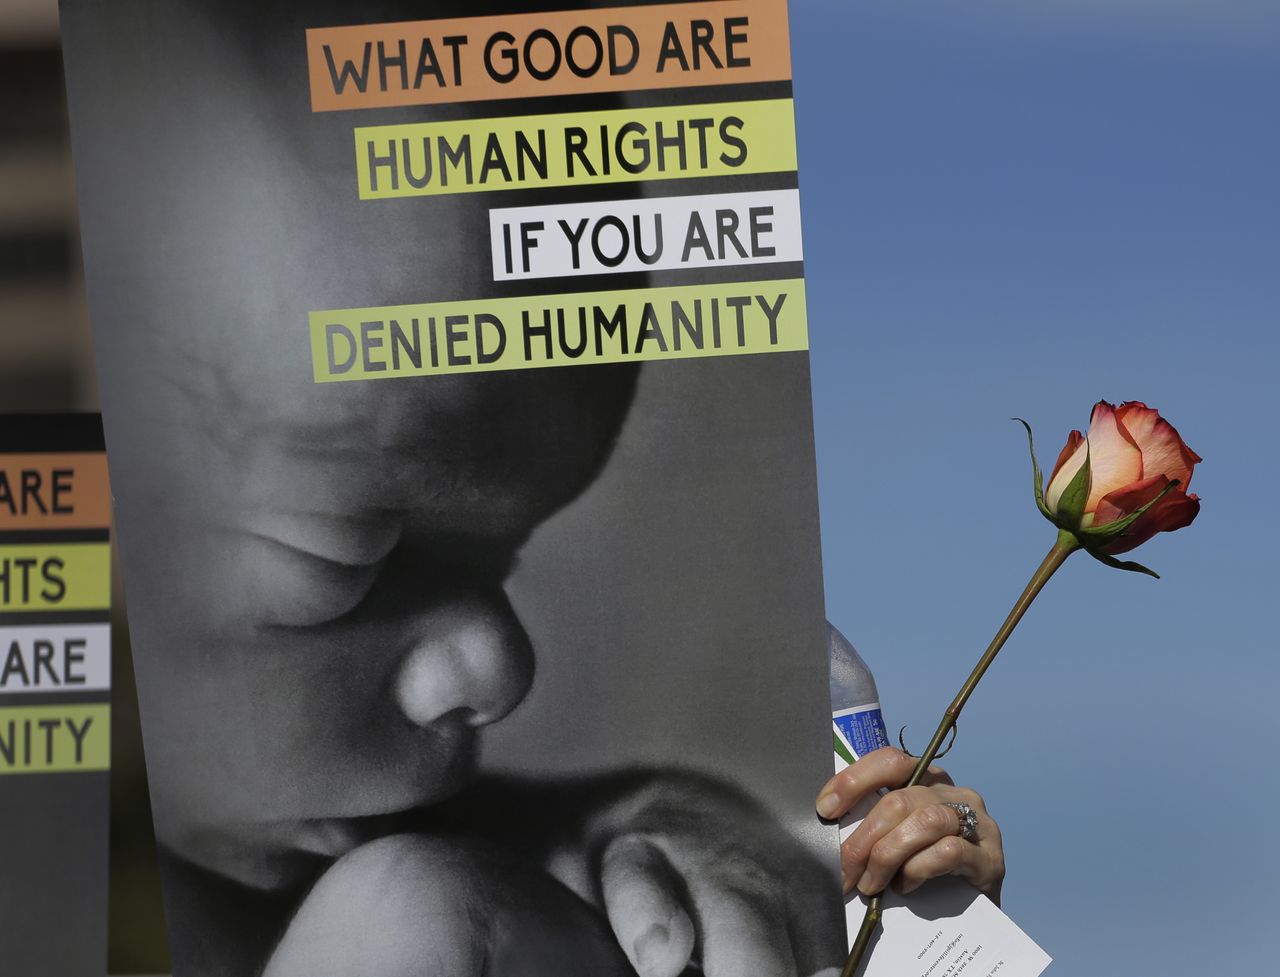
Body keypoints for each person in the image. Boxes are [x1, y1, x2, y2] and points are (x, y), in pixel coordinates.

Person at [68, 2, 1007, 974]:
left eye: (506, 555)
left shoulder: (348, 826)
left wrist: (667, 840)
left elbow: (557, 842)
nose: (500, 662)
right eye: (344, 550)